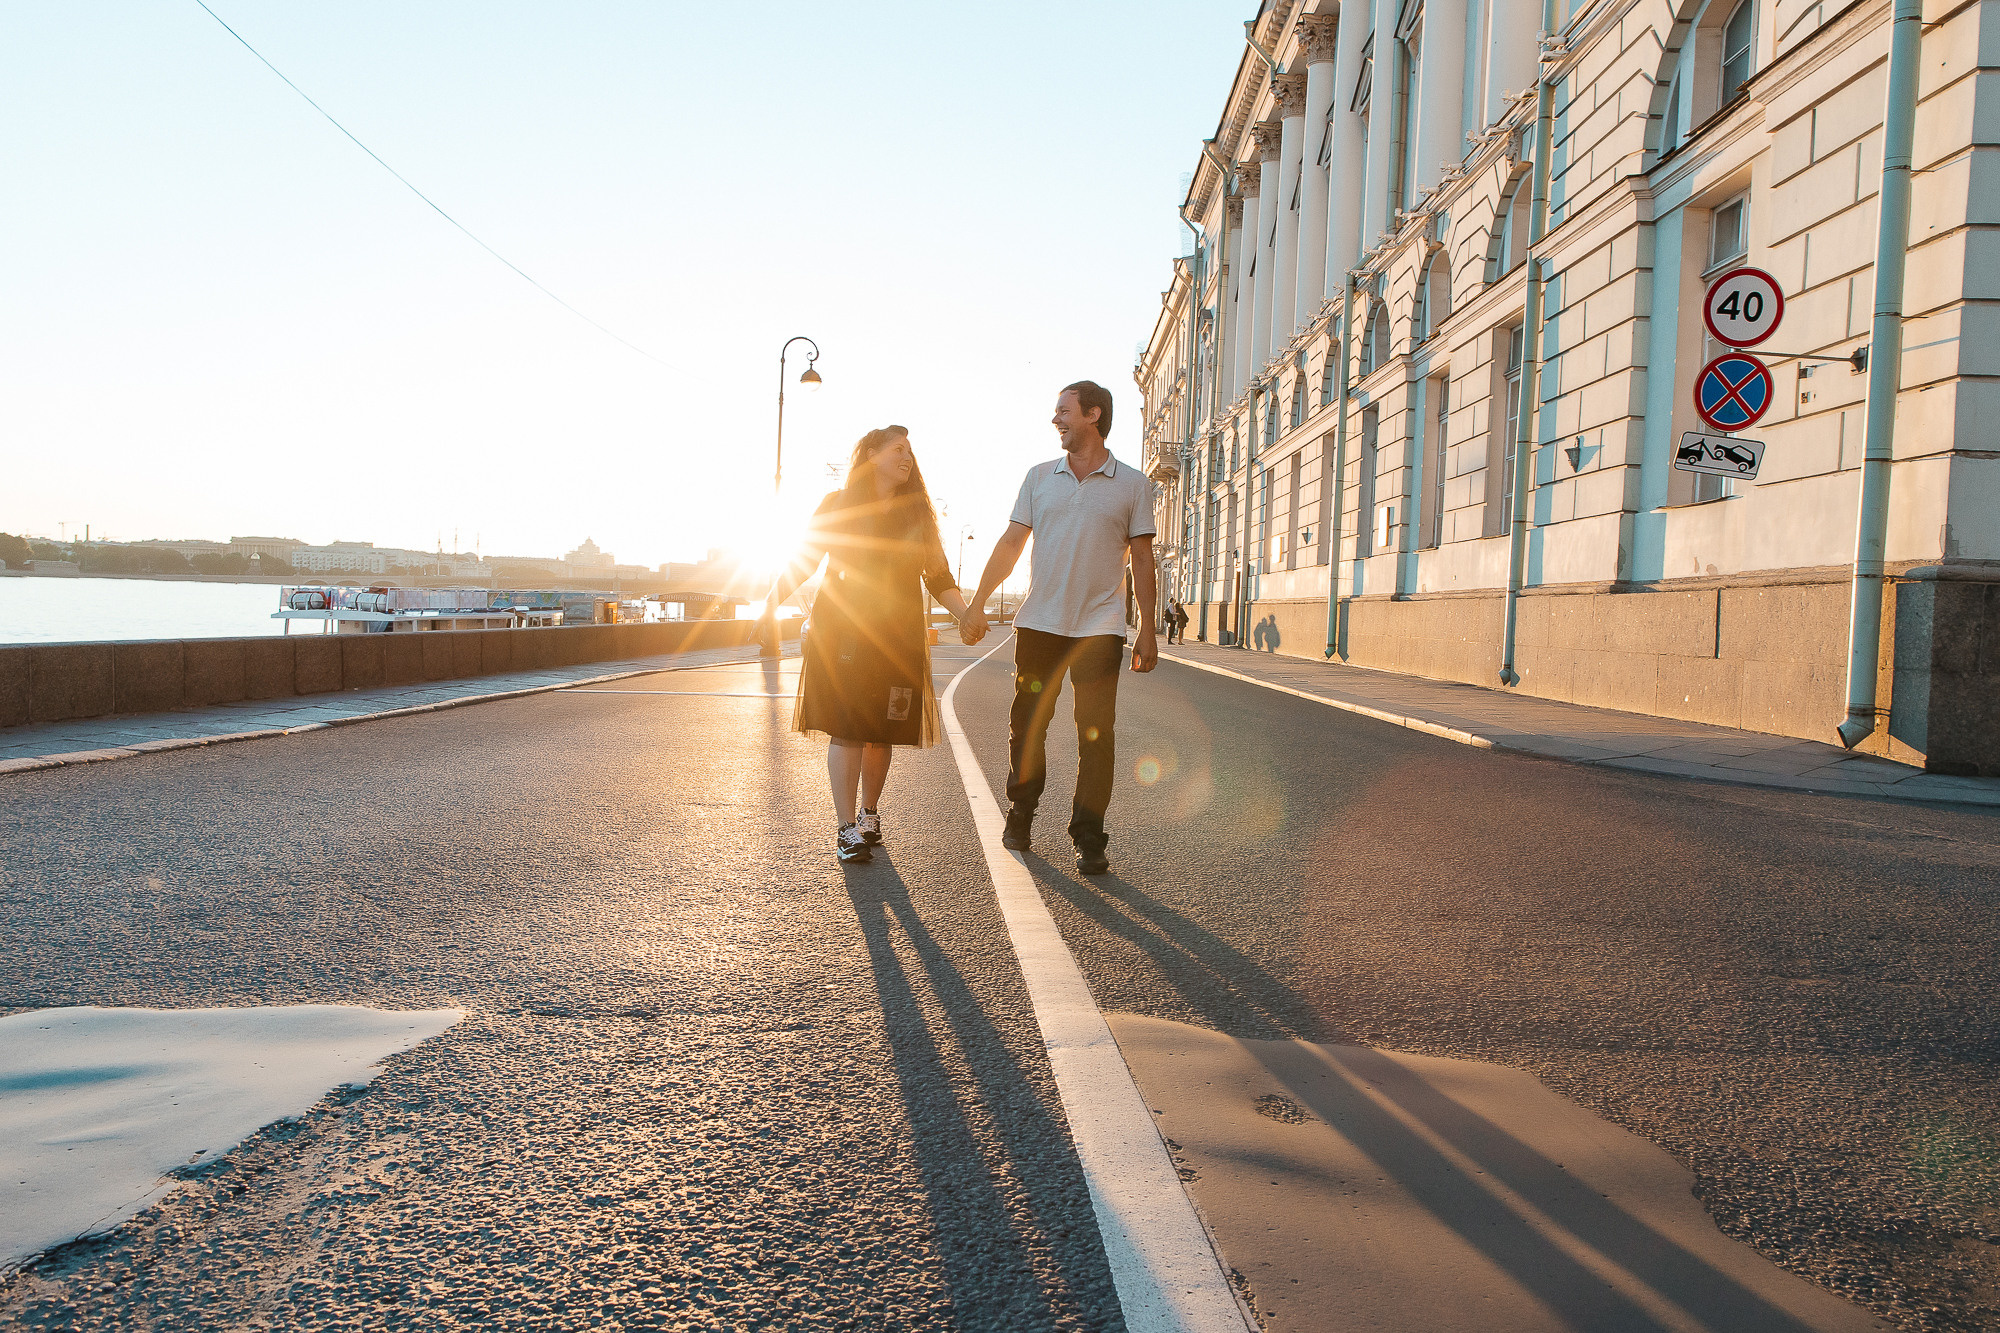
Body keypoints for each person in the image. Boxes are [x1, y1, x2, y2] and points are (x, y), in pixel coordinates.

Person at [961, 381, 1156, 876]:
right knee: (1028, 725)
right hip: (1040, 625)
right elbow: (1011, 543)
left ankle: (1089, 836)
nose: (1056, 420)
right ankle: (1022, 811)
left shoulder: (1133, 484)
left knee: (1096, 735)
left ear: (1093, 415)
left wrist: (1148, 628)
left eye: (1064, 411)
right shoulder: (1039, 477)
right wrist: (977, 603)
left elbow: (1142, 558)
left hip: (1100, 628)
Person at [763, 426, 979, 864]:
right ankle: (845, 828)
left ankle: (869, 814)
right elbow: (805, 560)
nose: (907, 458)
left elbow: (938, 577)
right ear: (871, 455)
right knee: (848, 727)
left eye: (910, 451)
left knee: (882, 730)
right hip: (843, 634)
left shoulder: (917, 514)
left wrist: (966, 615)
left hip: (898, 637)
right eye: (898, 449)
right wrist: (770, 603)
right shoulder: (837, 504)